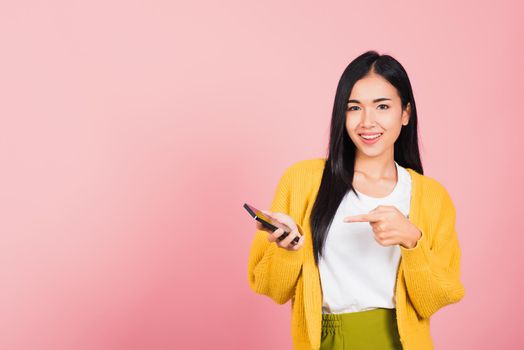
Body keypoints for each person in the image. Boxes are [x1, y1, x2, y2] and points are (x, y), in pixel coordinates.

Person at [247, 50, 465, 350]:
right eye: (354, 107)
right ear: (342, 113)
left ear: (405, 113)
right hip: (325, 340)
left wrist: (412, 241)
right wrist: (289, 250)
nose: (367, 121)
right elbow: (269, 287)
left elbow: (437, 299)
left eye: (383, 106)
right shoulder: (302, 181)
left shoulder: (432, 197)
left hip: (398, 341)